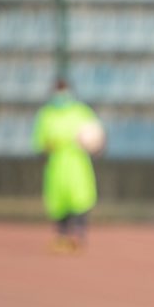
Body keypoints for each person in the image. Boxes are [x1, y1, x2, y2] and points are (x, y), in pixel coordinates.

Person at [31, 78, 102, 253]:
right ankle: (62, 235)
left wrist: (92, 143)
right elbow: (39, 143)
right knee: (58, 202)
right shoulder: (46, 114)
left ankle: (78, 234)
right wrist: (49, 146)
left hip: (77, 164)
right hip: (56, 165)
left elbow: (96, 137)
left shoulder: (81, 112)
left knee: (80, 198)